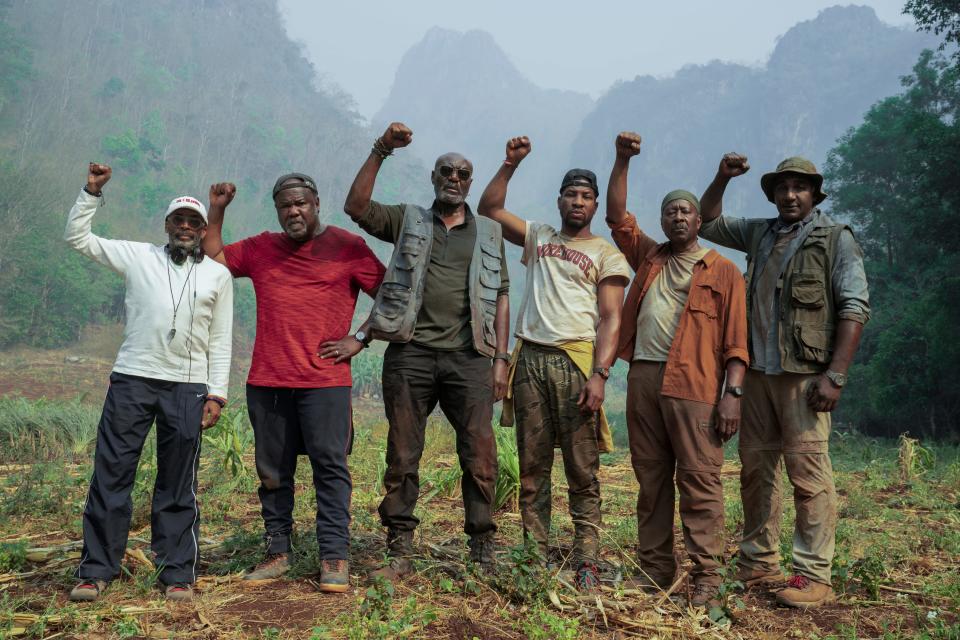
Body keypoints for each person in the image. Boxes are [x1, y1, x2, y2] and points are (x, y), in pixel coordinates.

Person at [699, 153, 870, 608]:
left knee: (808, 473)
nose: (789, 195)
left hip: (804, 377)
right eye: (782, 188)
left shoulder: (835, 238)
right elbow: (707, 222)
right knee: (756, 472)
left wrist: (835, 375)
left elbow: (854, 308)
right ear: (772, 194)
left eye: (799, 187)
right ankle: (759, 561)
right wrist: (722, 177)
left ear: (814, 193)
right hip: (757, 374)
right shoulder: (760, 232)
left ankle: (814, 574)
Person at [342, 122, 511, 580]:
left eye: (462, 173)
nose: (453, 179)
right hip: (410, 354)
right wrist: (381, 150)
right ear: (434, 179)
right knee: (402, 452)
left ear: (470, 183)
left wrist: (501, 360)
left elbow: (501, 299)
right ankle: (399, 549)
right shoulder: (409, 219)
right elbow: (356, 207)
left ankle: (482, 546)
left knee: (479, 453)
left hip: (470, 357)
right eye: (445, 172)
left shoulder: (490, 234)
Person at [202, 173, 385, 593]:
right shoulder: (263, 247)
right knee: (273, 473)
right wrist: (218, 209)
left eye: (301, 203)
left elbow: (393, 293)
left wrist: (359, 338)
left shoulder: (348, 247)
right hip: (268, 381)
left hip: (325, 382)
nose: (294, 212)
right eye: (285, 206)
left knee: (330, 469)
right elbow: (214, 257)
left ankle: (334, 557)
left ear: (317, 203)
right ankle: (277, 552)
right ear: (278, 209)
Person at [66, 163, 233, 603]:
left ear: (201, 231)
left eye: (193, 222)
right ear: (166, 225)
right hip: (133, 380)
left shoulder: (218, 275)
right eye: (178, 219)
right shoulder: (139, 256)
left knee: (178, 482)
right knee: (112, 475)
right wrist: (91, 192)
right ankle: (97, 570)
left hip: (188, 386)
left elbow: (221, 339)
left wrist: (217, 392)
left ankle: (176, 573)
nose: (185, 227)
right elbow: (78, 239)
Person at [477, 135, 629, 590]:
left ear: (596, 204)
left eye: (586, 196)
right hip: (531, 361)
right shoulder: (540, 235)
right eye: (571, 194)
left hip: (576, 361)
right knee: (533, 466)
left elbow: (611, 318)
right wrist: (509, 163)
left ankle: (587, 559)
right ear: (559, 199)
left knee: (582, 468)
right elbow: (489, 209)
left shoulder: (606, 253)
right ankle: (533, 554)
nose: (578, 202)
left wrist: (600, 375)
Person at [605, 132, 748, 606]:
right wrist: (622, 160)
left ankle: (707, 577)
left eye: (686, 210)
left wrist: (732, 395)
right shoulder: (650, 257)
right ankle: (655, 571)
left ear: (699, 219)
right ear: (663, 220)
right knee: (650, 477)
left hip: (696, 384)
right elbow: (617, 218)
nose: (679, 217)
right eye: (671, 211)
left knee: (700, 478)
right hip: (643, 378)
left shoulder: (723, 269)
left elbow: (736, 342)